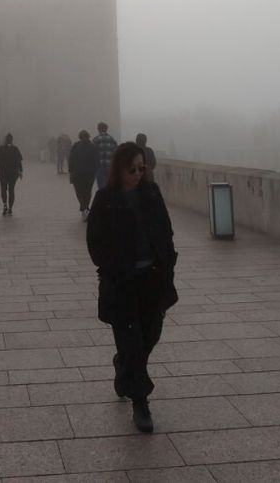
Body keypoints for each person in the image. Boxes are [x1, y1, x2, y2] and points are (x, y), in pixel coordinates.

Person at [86, 141, 177, 435]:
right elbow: (95, 242)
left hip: (152, 280)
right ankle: (141, 402)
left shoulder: (151, 193)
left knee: (150, 336)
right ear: (119, 169)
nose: (138, 173)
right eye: (132, 169)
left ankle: (122, 365)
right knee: (134, 343)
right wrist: (112, 269)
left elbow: (165, 229)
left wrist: (167, 262)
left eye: (142, 168)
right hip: (123, 284)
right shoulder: (105, 199)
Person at [68, 129, 98, 218]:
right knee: (87, 191)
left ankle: (83, 207)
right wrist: (94, 171)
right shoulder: (93, 146)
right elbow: (97, 161)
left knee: (79, 191)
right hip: (90, 174)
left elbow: (71, 159)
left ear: (79, 137)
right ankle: (86, 208)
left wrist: (71, 170)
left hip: (77, 173)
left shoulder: (75, 146)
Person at [0, 132, 24, 215]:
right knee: (11, 190)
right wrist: (21, 171)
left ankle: (4, 204)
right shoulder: (15, 149)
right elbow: (19, 162)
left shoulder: (1, 148)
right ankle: (10, 207)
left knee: (3, 189)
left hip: (3, 172)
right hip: (13, 173)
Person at [92, 122, 118, 191]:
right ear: (106, 129)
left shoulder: (95, 140)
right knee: (109, 184)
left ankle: (103, 199)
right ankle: (109, 198)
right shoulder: (112, 139)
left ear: (98, 129)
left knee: (101, 186)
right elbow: (116, 153)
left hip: (99, 166)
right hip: (110, 166)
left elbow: (93, 154)